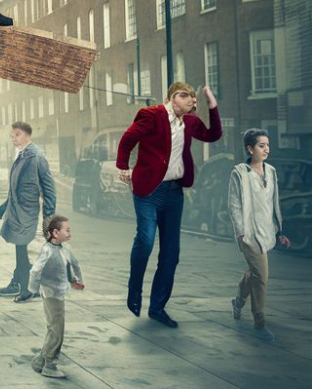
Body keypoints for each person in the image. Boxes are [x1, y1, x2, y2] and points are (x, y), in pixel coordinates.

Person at [117, 82, 221, 327]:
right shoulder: (151, 115)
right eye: (187, 98)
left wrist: (212, 104)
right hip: (149, 190)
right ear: (174, 97)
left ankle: (157, 308)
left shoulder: (191, 122)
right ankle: (134, 290)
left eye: (194, 100)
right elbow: (128, 138)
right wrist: (123, 167)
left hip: (174, 192)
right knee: (146, 240)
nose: (192, 102)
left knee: (171, 253)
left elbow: (212, 135)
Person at [229, 128, 290, 342]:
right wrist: (241, 232)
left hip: (267, 232)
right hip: (248, 233)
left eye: (267, 145)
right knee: (262, 277)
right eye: (261, 145)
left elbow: (274, 202)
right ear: (250, 148)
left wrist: (279, 230)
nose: (267, 149)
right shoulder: (239, 172)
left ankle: (238, 301)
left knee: (254, 273)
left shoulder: (271, 171)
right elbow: (234, 204)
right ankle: (259, 322)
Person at [0, 122, 56, 303]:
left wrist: (49, 216)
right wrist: (5, 206)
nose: (14, 139)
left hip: (28, 210)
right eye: (12, 136)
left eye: (17, 135)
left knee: (23, 246)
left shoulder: (36, 156)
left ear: (28, 135)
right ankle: (21, 283)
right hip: (17, 209)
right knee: (20, 247)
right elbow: (16, 185)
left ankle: (28, 287)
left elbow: (49, 188)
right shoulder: (22, 155)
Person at [27, 215, 84, 379]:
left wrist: (74, 280)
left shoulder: (65, 249)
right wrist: (34, 289)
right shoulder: (47, 250)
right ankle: (50, 365)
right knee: (57, 331)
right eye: (67, 230)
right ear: (55, 232)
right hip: (51, 294)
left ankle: (40, 361)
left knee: (53, 329)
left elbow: (70, 265)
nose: (69, 232)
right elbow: (35, 271)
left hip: (59, 293)